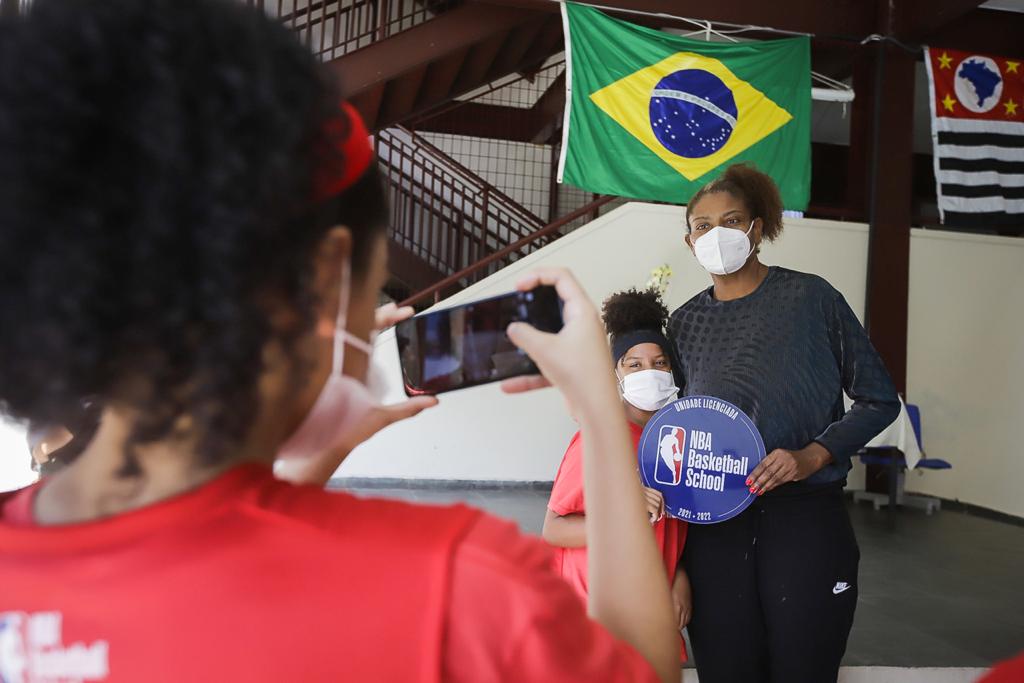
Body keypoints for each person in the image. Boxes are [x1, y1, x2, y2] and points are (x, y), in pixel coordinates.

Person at [0, 2, 678, 681]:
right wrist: (598, 411)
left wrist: (302, 459)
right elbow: (639, 669)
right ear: (325, 278)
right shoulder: (455, 589)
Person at [668, 163, 901, 683]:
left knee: (804, 667)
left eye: (731, 220)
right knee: (727, 668)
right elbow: (673, 425)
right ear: (689, 241)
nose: (716, 234)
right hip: (716, 529)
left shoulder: (811, 299)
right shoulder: (683, 324)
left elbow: (879, 399)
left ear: (757, 228)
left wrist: (813, 454)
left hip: (807, 519)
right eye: (703, 226)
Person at [543, 288, 691, 660]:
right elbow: (554, 528)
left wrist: (680, 577)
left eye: (660, 363)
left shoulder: (678, 440)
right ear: (617, 374)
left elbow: (676, 524)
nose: (650, 373)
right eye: (634, 364)